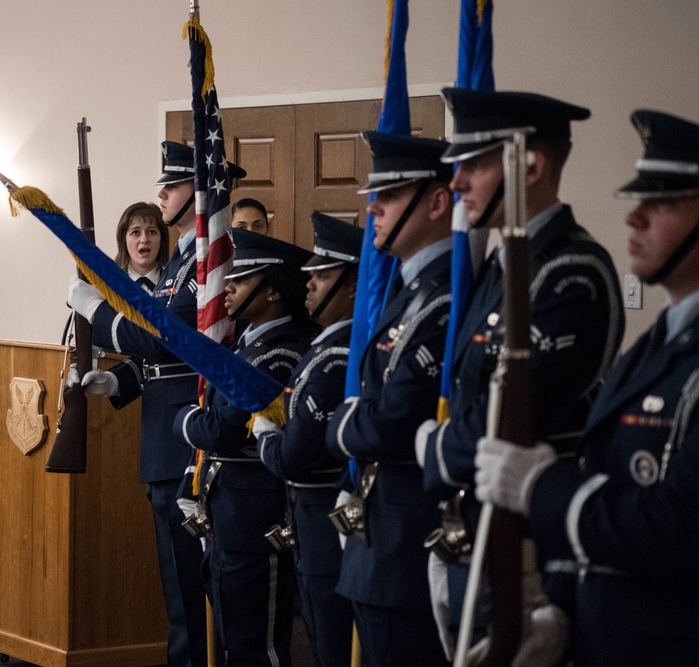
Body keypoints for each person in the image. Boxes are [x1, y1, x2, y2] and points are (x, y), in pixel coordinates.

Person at [474, 110, 699, 666]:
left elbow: (680, 530)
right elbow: (607, 476)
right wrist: (558, 612)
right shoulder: (657, 344)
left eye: (661, 203)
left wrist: (542, 487)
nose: (633, 217)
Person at [413, 89, 625, 658]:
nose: (455, 183)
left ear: (526, 165)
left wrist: (433, 450)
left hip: (527, 549)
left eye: (473, 165)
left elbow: (507, 417)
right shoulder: (500, 266)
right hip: (468, 531)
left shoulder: (570, 273)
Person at [67, 141, 245, 667]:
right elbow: (158, 361)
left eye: (172, 184)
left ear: (200, 190)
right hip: (165, 438)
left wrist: (96, 310)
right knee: (179, 582)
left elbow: (163, 341)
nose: (162, 194)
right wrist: (119, 385)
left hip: (187, 441)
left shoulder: (207, 262)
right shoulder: (178, 264)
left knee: (192, 581)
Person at [324, 131, 454, 666]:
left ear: (438, 201)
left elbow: (391, 419)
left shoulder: (450, 292)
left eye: (392, 194)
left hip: (409, 542)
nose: (373, 206)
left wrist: (341, 427)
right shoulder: (408, 291)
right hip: (377, 541)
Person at [174, 229, 314, 666]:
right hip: (227, 514)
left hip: (257, 520)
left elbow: (222, 429)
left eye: (241, 278)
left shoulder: (279, 355)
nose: (226, 287)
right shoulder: (244, 346)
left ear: (272, 290)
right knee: (234, 640)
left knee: (258, 647)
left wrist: (183, 419)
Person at [255, 212, 363, 667]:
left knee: (334, 645)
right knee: (319, 639)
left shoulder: (339, 358)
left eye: (323, 276)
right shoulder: (321, 349)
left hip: (326, 519)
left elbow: (293, 456)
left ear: (354, 288)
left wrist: (264, 436)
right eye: (311, 275)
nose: (310, 285)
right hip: (308, 519)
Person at [114, 201, 169, 293]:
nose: (144, 239)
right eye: (135, 232)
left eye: (152, 232)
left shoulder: (175, 282)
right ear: (123, 239)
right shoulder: (111, 284)